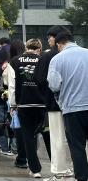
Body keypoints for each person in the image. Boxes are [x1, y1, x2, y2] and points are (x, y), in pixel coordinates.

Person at [48, 29, 88, 181]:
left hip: (72, 108)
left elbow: (54, 85)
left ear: (59, 44)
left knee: (77, 146)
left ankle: (82, 177)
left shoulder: (57, 60)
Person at [34, 26, 74, 180]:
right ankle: (79, 166)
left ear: (57, 39)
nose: (49, 39)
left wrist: (46, 96)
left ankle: (60, 170)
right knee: (77, 138)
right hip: (75, 103)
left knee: (57, 138)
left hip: (53, 104)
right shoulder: (78, 54)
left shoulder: (48, 56)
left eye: (51, 36)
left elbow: (39, 79)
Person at [8, 38, 50, 178]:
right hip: (42, 104)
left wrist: (13, 104)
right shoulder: (43, 60)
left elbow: (12, 85)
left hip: (24, 103)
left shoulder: (14, 61)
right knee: (48, 135)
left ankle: (35, 169)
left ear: (26, 47)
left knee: (28, 136)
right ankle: (57, 165)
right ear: (39, 49)